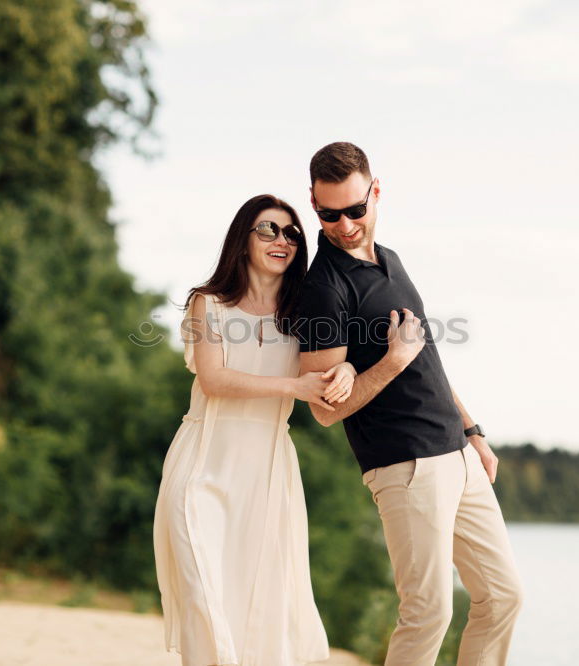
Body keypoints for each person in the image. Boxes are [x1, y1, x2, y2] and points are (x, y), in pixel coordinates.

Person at [294, 142, 524, 666]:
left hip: (458, 455)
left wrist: (473, 431)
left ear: (376, 192)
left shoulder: (391, 260)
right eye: (329, 214)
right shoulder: (323, 290)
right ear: (313, 203)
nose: (345, 225)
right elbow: (325, 410)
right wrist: (390, 363)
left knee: (503, 596)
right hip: (405, 465)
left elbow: (428, 359)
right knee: (427, 614)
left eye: (355, 209)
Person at [153, 193, 353, 666]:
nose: (281, 240)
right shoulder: (208, 304)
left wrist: (344, 372)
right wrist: (296, 385)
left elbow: (334, 368)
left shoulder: (305, 313)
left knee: (261, 605)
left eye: (290, 233)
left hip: (266, 475)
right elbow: (214, 379)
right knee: (203, 594)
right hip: (203, 464)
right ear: (243, 240)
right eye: (268, 229)